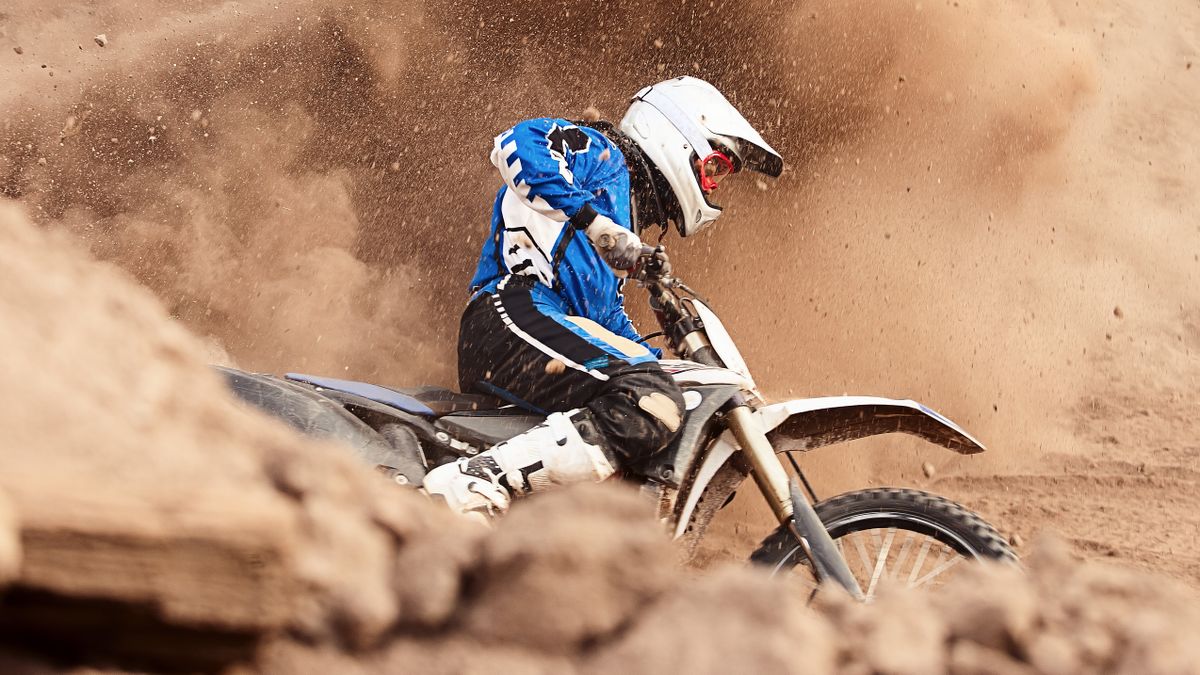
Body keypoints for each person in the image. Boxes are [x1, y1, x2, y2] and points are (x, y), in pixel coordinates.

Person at [422, 76, 783, 515]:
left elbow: (608, 330)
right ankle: (476, 482)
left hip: (544, 337)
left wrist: (700, 381)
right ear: (677, 133)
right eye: (714, 169)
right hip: (511, 312)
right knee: (648, 397)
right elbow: (516, 143)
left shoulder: (621, 219)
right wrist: (596, 223)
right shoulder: (601, 152)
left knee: (658, 402)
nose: (712, 187)